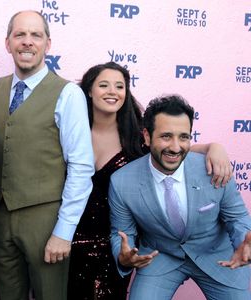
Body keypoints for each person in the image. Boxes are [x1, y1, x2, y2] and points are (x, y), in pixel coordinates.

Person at [68, 62, 234, 299]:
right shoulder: (72, 132)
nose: (112, 91)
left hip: (117, 240)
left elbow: (174, 151)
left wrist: (213, 147)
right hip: (72, 237)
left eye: (120, 86)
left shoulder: (137, 137)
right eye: (103, 85)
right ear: (89, 90)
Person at [0, 10, 95, 300]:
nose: (27, 42)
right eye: (19, 34)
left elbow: (81, 166)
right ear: (8, 43)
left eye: (36, 35)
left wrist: (64, 231)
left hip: (47, 221)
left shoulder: (68, 93)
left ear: (48, 44)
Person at [108, 95, 251, 299]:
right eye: (166, 136)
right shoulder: (122, 181)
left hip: (217, 256)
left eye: (183, 137)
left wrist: (244, 243)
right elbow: (121, 233)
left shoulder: (214, 168)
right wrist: (124, 256)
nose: (176, 147)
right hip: (160, 256)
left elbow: (237, 218)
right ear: (147, 137)